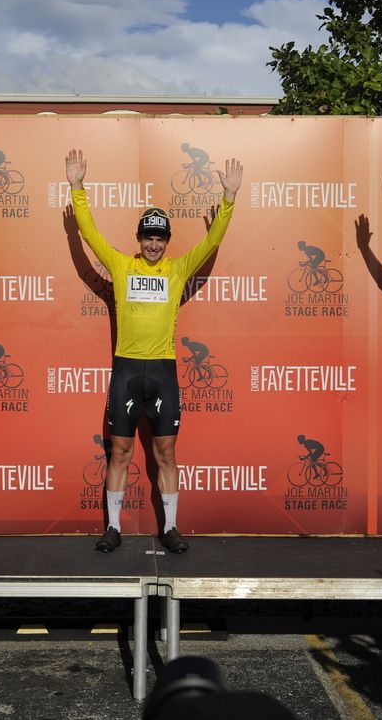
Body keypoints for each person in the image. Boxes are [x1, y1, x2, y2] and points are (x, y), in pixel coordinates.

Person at [66, 148, 243, 554]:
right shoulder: (122, 265)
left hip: (162, 372)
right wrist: (77, 187)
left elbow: (212, 241)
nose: (153, 244)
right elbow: (90, 235)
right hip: (127, 371)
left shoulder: (178, 269)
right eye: (148, 237)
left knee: (166, 453)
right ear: (139, 239)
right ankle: (113, 528)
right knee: (120, 452)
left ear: (166, 242)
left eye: (160, 238)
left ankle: (172, 528)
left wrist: (229, 199)